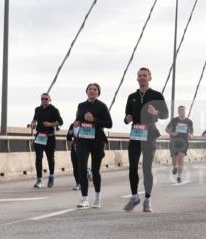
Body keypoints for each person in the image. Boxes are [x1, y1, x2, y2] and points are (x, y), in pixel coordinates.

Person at [122, 67, 168, 212]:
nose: (142, 77)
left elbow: (165, 114)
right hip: (135, 134)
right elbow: (127, 116)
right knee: (133, 167)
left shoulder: (156, 95)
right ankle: (134, 197)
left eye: (144, 75)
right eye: (140, 75)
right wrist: (126, 118)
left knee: (147, 168)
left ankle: (147, 200)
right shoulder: (131, 96)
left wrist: (156, 112)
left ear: (149, 78)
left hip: (149, 134)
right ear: (137, 78)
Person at [73, 82, 112, 208]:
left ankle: (97, 198)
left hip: (96, 141)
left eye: (95, 89)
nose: (92, 91)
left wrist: (94, 120)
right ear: (86, 91)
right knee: (82, 169)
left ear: (98, 93)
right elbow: (78, 119)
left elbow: (109, 124)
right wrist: (77, 123)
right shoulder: (81, 105)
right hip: (82, 140)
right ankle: (84, 198)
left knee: (95, 170)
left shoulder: (102, 106)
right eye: (90, 89)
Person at [28, 92, 64, 188]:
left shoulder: (54, 110)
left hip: (50, 137)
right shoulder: (38, 109)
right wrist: (33, 124)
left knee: (50, 158)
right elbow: (34, 119)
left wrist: (50, 124)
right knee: (38, 158)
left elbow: (61, 122)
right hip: (39, 136)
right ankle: (39, 180)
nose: (44, 100)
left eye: (46, 99)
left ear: (50, 100)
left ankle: (51, 176)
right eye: (42, 99)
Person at [166, 105, 194, 183]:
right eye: (180, 110)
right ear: (178, 111)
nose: (181, 111)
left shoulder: (189, 121)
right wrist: (172, 133)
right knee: (174, 160)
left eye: (183, 110)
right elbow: (166, 129)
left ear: (185, 111)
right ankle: (174, 167)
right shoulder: (174, 120)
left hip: (184, 142)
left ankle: (179, 176)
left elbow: (191, 131)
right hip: (174, 142)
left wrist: (190, 135)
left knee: (181, 159)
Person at [66, 124, 82, 191]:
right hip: (75, 146)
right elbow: (68, 138)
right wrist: (70, 134)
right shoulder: (73, 125)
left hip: (84, 146)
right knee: (75, 165)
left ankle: (83, 181)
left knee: (81, 165)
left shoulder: (85, 124)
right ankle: (78, 183)